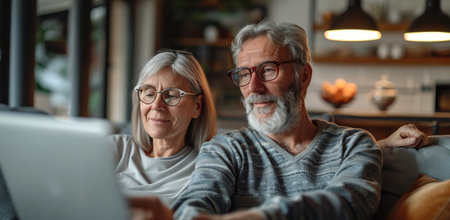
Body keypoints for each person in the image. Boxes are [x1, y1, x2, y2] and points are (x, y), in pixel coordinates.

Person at [167, 21, 418, 220]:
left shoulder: (354, 144)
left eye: (267, 70)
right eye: (244, 74)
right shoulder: (226, 150)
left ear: (304, 75)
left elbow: (352, 201)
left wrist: (261, 216)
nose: (254, 87)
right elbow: (196, 202)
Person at [109, 49, 217, 207]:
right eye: (149, 93)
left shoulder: (205, 169)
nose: (156, 106)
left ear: (197, 106)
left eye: (172, 95)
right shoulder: (115, 149)